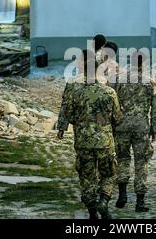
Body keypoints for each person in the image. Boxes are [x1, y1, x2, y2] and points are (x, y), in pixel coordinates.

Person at [57, 49, 122, 219]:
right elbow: (117, 117)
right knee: (109, 174)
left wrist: (64, 127)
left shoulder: (75, 90)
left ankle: (92, 210)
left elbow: (67, 111)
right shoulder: (109, 92)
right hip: (105, 141)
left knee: (86, 177)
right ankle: (103, 200)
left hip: (83, 141)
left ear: (84, 70)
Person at [113, 53, 156, 212]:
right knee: (142, 162)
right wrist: (155, 129)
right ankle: (140, 201)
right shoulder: (149, 83)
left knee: (122, 159)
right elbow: (155, 109)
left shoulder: (119, 80)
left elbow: (113, 105)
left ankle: (122, 194)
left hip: (122, 126)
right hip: (141, 126)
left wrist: (113, 124)